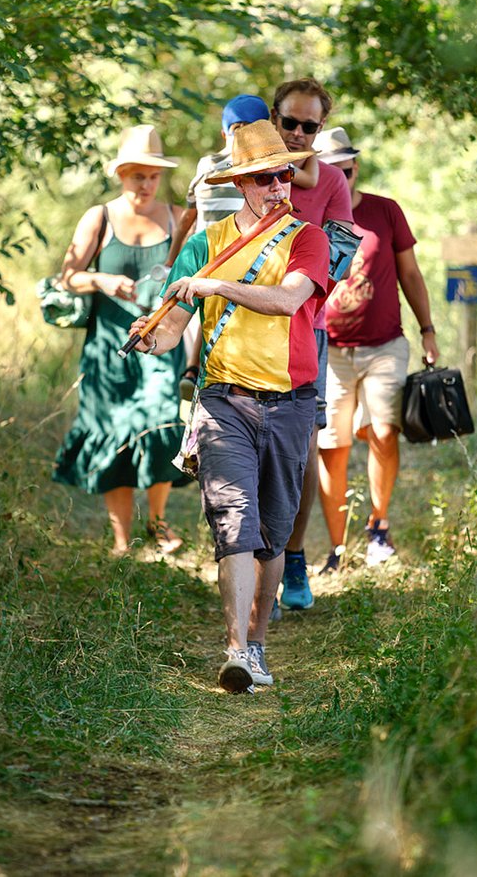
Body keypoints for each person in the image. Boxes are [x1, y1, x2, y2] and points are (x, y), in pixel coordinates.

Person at [127, 119, 328, 693]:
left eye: (284, 176)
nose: (278, 187)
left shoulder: (306, 239)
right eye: (265, 178)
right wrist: (152, 336)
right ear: (241, 184)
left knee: (270, 534)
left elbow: (290, 300)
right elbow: (173, 329)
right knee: (234, 526)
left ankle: (259, 644)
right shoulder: (204, 244)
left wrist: (218, 288)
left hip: (290, 405)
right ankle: (237, 649)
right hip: (223, 405)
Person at [52, 124, 189, 556]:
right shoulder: (100, 217)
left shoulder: (177, 217)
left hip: (159, 346)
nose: (146, 185)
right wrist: (103, 280)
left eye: (153, 176)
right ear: (121, 174)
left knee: (160, 425)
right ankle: (119, 539)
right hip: (108, 348)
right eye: (137, 176)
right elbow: (67, 276)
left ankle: (158, 524)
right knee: (112, 433)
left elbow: (192, 279)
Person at [314, 126, 439, 567]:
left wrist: (427, 329)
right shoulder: (311, 215)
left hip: (385, 344)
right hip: (328, 350)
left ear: (356, 167)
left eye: (346, 171)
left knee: (384, 432)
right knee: (333, 447)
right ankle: (337, 547)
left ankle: (378, 527)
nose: (340, 180)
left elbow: (410, 274)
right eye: (330, 172)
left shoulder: (385, 212)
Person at [268, 78, 354, 613]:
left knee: (297, 452)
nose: (298, 133)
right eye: (290, 122)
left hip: (307, 331)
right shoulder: (242, 169)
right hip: (237, 328)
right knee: (240, 448)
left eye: (310, 127)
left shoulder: (330, 185)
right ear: (273, 118)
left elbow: (339, 263)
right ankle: (255, 561)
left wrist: (293, 281)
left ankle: (292, 556)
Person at [168, 94, 271, 401]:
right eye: (240, 128)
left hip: (223, 248)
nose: (244, 135)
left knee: (198, 305)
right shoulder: (230, 165)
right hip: (219, 247)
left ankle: (192, 368)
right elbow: (189, 215)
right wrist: (173, 257)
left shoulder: (211, 165)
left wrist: (172, 257)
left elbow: (188, 215)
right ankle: (192, 368)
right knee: (201, 303)